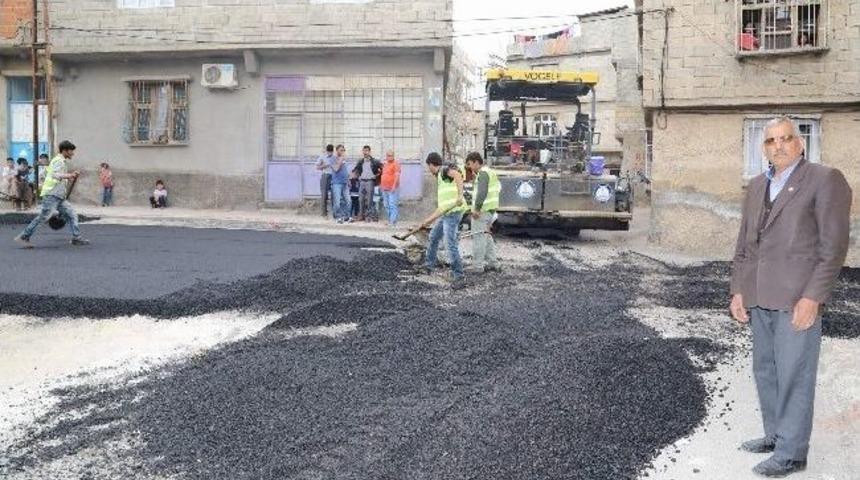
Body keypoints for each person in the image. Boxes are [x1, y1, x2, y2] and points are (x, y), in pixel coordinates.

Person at [729, 116, 852, 478]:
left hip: (797, 298)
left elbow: (833, 248)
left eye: (785, 138)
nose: (778, 145)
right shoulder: (754, 186)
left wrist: (813, 297)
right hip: (758, 294)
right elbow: (744, 246)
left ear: (800, 143)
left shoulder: (824, 179)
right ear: (763, 147)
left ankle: (793, 454)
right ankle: (775, 435)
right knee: (766, 369)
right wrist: (738, 289)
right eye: (770, 141)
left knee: (795, 374)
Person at [14, 140, 89, 247]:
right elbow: (55, 175)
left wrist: (69, 176)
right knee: (43, 217)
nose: (73, 153)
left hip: (59, 196)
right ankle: (24, 237)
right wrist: (70, 175)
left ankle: (76, 238)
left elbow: (50, 173)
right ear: (65, 151)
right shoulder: (58, 161)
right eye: (71, 151)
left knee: (72, 215)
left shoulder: (60, 161)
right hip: (51, 195)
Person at [416, 152, 468, 289]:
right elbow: (442, 208)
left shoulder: (444, 170)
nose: (429, 169)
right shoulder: (440, 177)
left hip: (454, 213)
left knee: (450, 243)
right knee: (433, 236)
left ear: (432, 164)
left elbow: (457, 175)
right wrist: (427, 220)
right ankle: (429, 266)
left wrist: (460, 196)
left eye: (429, 166)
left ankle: (459, 276)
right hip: (447, 212)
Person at [465, 152, 502, 273]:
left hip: (482, 211)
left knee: (478, 238)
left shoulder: (483, 173)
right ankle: (493, 263)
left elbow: (482, 192)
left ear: (476, 162)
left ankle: (477, 267)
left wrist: (477, 209)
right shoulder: (490, 172)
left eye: (470, 164)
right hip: (489, 210)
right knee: (486, 237)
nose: (470, 167)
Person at [351, 145, 382, 221]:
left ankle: (369, 216)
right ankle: (361, 215)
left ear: (369, 151)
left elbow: (382, 168)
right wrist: (354, 176)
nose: (365, 152)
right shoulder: (361, 161)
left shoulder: (375, 161)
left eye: (367, 151)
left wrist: (377, 176)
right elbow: (355, 170)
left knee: (369, 200)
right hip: (362, 182)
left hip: (370, 182)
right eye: (364, 151)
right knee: (361, 199)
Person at [379, 149, 402, 226]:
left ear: (393, 156)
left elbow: (397, 175)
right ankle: (391, 221)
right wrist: (381, 186)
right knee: (386, 205)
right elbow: (384, 175)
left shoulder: (396, 164)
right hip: (384, 188)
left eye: (391, 155)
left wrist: (393, 186)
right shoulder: (385, 164)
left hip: (392, 188)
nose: (389, 157)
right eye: (388, 155)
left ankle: (392, 222)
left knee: (392, 205)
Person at [330, 144, 351, 223]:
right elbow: (336, 169)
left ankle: (346, 216)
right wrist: (341, 159)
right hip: (336, 183)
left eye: (343, 150)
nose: (343, 152)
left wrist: (348, 180)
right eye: (341, 150)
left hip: (345, 183)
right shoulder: (332, 159)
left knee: (348, 201)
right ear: (337, 150)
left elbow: (345, 171)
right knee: (337, 202)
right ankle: (337, 217)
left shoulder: (344, 160)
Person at [315, 144, 336, 218]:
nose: (330, 153)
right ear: (327, 151)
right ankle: (324, 213)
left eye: (331, 152)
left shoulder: (335, 157)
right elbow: (317, 167)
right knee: (324, 195)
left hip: (333, 176)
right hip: (325, 176)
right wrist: (324, 166)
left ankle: (334, 213)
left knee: (334, 195)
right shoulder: (322, 157)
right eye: (329, 152)